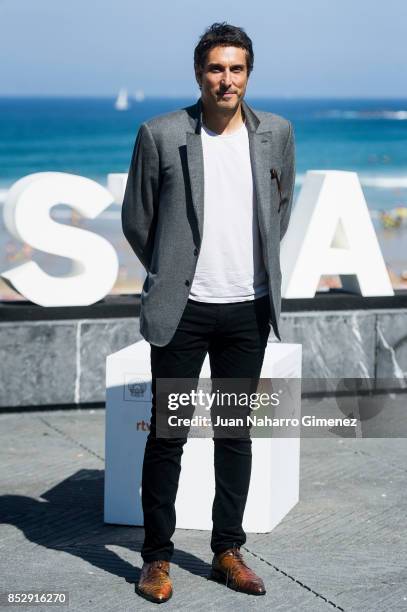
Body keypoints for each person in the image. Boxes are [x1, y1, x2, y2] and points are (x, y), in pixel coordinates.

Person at [121, 22, 296, 604]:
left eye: (237, 68)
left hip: (247, 310)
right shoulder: (161, 133)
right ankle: (156, 558)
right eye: (216, 69)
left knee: (235, 435)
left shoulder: (277, 133)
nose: (227, 80)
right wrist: (170, 271)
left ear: (249, 73)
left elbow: (280, 208)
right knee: (168, 436)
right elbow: (137, 218)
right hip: (184, 312)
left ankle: (227, 551)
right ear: (200, 73)